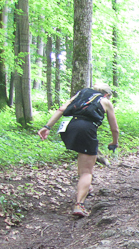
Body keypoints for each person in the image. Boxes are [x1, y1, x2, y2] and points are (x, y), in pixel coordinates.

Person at [38, 83, 119, 217]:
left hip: (68, 127)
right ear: (107, 94)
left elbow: (61, 109)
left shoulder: (81, 94)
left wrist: (47, 127)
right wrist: (114, 142)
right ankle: (79, 205)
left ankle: (87, 187)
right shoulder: (105, 101)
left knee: (83, 156)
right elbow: (114, 128)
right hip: (85, 129)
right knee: (87, 171)